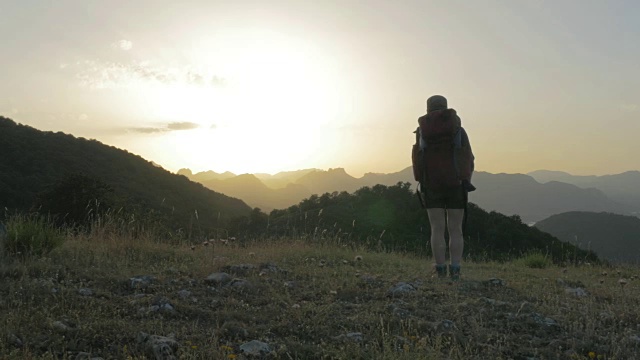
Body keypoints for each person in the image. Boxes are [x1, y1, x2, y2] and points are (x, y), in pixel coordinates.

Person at [416, 95, 475, 280]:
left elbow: (418, 158)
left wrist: (422, 181)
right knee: (455, 229)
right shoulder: (458, 130)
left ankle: (440, 270)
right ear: (446, 108)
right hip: (456, 184)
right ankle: (455, 270)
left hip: (431, 184)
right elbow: (469, 158)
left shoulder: (422, 131)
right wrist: (465, 179)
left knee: (436, 228)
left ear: (428, 109)